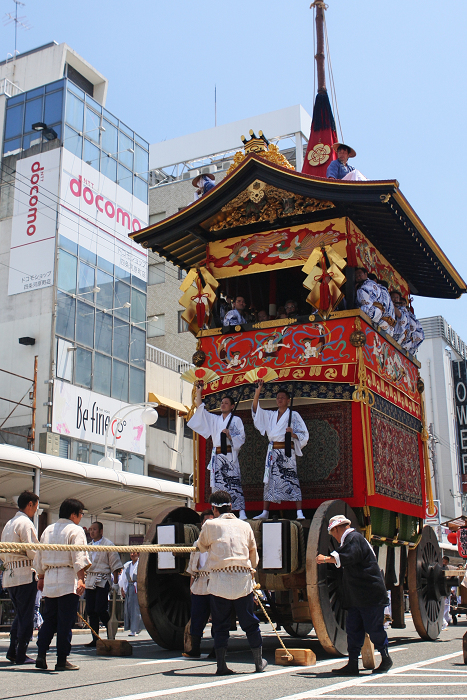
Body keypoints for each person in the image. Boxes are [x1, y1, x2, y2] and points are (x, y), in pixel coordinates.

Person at [197, 490, 267, 675]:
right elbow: (254, 554)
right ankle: (258, 663)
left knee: (220, 624)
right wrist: (250, 571)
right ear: (231, 506)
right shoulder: (245, 526)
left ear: (214, 508)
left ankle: (221, 666)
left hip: (220, 579)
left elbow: (201, 546)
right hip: (242, 579)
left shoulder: (210, 524)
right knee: (250, 623)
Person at [316, 515, 391, 676]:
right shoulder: (351, 539)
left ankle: (386, 658)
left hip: (370, 594)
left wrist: (325, 559)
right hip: (357, 594)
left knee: (373, 628)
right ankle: (352, 663)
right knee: (353, 628)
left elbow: (348, 556)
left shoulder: (353, 538)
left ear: (336, 528)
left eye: (333, 533)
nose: (334, 537)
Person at [34, 498, 91, 672]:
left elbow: (39, 555)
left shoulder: (48, 530)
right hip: (67, 578)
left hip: (50, 577)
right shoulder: (75, 530)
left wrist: (41, 576)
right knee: (65, 622)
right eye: (80, 514)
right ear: (73, 514)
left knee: (50, 620)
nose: (81, 517)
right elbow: (78, 556)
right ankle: (61, 659)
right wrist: (81, 578)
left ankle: (41, 654)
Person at [252, 380, 308, 520]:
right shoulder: (271, 415)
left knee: (292, 478)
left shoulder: (293, 416)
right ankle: (265, 511)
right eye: (278, 398)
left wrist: (293, 434)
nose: (279, 400)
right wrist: (258, 390)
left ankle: (299, 512)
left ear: (288, 400)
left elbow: (304, 435)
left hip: (287, 451)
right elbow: (256, 411)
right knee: (269, 480)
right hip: (272, 452)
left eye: (282, 398)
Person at [188, 384, 247, 519]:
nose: (223, 405)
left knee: (234, 482)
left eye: (226, 403)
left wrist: (230, 435)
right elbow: (201, 411)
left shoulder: (236, 420)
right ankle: (219, 512)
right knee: (218, 486)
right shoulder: (215, 419)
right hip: (218, 455)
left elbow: (242, 438)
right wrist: (198, 392)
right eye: (222, 403)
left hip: (230, 454)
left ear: (232, 406)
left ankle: (241, 510)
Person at [1, 490, 39, 664]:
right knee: (26, 616)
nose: (36, 511)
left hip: (9, 575)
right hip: (24, 574)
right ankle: (20, 652)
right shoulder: (25, 523)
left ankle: (12, 649)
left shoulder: (9, 524)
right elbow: (33, 551)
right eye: (36, 507)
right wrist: (42, 569)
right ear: (30, 504)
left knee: (20, 614)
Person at [84, 521, 123, 647]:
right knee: (90, 610)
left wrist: (116, 583)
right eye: (90, 529)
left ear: (101, 531)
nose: (92, 532)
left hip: (103, 579)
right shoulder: (88, 546)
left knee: (100, 609)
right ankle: (95, 638)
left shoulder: (108, 545)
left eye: (94, 529)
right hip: (90, 579)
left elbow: (115, 565)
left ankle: (110, 634)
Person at [183, 509, 215, 658]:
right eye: (205, 521)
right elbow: (192, 568)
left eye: (211, 521)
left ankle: (218, 649)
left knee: (217, 618)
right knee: (197, 617)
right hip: (199, 583)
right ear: (201, 524)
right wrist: (191, 586)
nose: (207, 524)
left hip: (215, 583)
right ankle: (194, 648)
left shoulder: (218, 542)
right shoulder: (196, 543)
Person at [355, 268, 395, 337]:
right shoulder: (384, 291)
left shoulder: (368, 284)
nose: (358, 277)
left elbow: (365, 301)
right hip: (385, 323)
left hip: (374, 313)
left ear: (365, 274)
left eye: (359, 275)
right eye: (356, 276)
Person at [119, 553, 143, 636]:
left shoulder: (141, 564)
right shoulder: (127, 565)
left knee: (136, 609)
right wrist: (123, 588)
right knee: (129, 608)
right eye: (131, 553)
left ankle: (135, 629)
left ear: (138, 554)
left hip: (138, 587)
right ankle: (132, 628)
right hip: (130, 587)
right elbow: (123, 578)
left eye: (134, 553)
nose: (132, 554)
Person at [442, 556, 456, 630]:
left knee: (446, 607)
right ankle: (445, 620)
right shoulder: (439, 567)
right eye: (443, 561)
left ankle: (445, 621)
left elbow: (456, 569)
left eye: (445, 562)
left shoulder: (449, 567)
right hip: (441, 589)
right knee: (444, 607)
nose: (444, 563)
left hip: (446, 590)